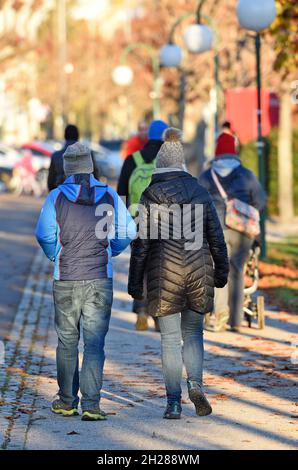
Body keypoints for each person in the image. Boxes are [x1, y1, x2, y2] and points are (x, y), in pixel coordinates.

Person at [128, 128, 229, 419]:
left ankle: (173, 402)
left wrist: (137, 285)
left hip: (164, 275)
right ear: (183, 164)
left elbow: (142, 245)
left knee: (170, 340)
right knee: (194, 334)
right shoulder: (200, 192)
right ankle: (195, 384)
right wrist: (220, 273)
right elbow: (216, 238)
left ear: (160, 165)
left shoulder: (150, 195)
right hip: (198, 273)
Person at [36, 143, 136, 421]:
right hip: (99, 278)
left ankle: (67, 401)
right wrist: (111, 249)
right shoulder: (109, 195)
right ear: (91, 167)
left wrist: (57, 253)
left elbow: (44, 233)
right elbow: (129, 229)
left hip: (66, 277)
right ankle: (91, 405)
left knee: (67, 341)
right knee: (94, 344)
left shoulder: (56, 196)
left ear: (67, 169)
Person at [199, 131, 266, 332]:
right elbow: (261, 200)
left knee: (219, 269)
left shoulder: (206, 175)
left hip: (215, 229)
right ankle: (236, 320)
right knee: (237, 270)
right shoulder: (247, 174)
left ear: (217, 152)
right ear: (234, 151)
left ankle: (220, 312)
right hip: (242, 230)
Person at [118, 119, 169, 332]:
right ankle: (159, 315)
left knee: (140, 264)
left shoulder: (133, 160)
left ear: (148, 136)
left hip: (137, 220)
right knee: (161, 266)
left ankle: (140, 311)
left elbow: (121, 191)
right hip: (165, 221)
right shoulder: (169, 160)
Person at [47, 124, 79, 191]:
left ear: (65, 136)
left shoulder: (56, 156)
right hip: (82, 196)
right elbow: (94, 178)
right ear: (78, 137)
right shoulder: (89, 155)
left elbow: (50, 181)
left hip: (61, 194)